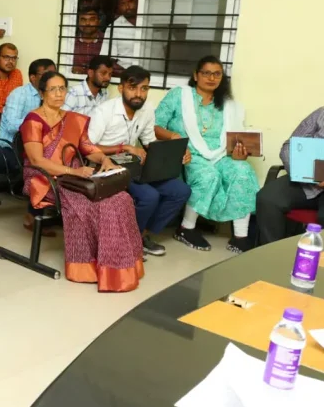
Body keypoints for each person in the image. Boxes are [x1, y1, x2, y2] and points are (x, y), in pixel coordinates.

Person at [20, 71, 144, 292]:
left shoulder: (72, 118)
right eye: (53, 89)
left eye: (62, 89)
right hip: (44, 179)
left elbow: (87, 148)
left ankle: (123, 265)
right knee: (102, 205)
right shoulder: (33, 120)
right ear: (41, 93)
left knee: (122, 199)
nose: (59, 94)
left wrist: (104, 159)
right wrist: (72, 171)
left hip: (75, 175)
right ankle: (90, 267)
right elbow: (37, 160)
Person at [155, 56, 258, 253]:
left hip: (221, 156)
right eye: (206, 73)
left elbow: (235, 139)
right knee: (207, 176)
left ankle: (241, 236)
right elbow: (155, 125)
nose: (211, 78)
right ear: (196, 75)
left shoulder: (228, 105)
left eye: (217, 74)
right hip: (189, 155)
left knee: (243, 171)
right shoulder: (179, 95)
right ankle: (186, 228)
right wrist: (173, 136)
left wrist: (238, 154)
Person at [88, 66, 191, 256]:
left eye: (144, 88)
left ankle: (141, 235)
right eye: (132, 87)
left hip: (134, 164)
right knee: (149, 196)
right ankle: (128, 239)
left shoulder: (147, 110)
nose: (138, 94)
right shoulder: (104, 111)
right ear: (121, 89)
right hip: (106, 166)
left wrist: (177, 153)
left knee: (180, 191)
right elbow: (88, 147)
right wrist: (124, 147)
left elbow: (149, 142)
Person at [256, 107, 324, 245]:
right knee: (268, 199)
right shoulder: (321, 114)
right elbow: (289, 146)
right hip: (306, 181)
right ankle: (272, 254)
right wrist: (304, 174)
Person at [0, 58, 57, 180]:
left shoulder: (52, 95)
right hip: (9, 148)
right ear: (33, 78)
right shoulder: (19, 94)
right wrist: (39, 124)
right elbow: (12, 125)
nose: (51, 78)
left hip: (37, 146)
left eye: (53, 74)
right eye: (46, 74)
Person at [103, 0, 140, 71]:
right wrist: (128, 74)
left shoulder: (151, 22)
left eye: (131, 1)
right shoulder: (113, 28)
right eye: (123, 3)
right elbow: (109, 61)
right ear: (118, 7)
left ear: (138, 0)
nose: (127, 7)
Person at [72, 8, 105, 74]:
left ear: (98, 21)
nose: (87, 23)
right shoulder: (70, 41)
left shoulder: (106, 41)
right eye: (83, 20)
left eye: (92, 20)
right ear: (78, 22)